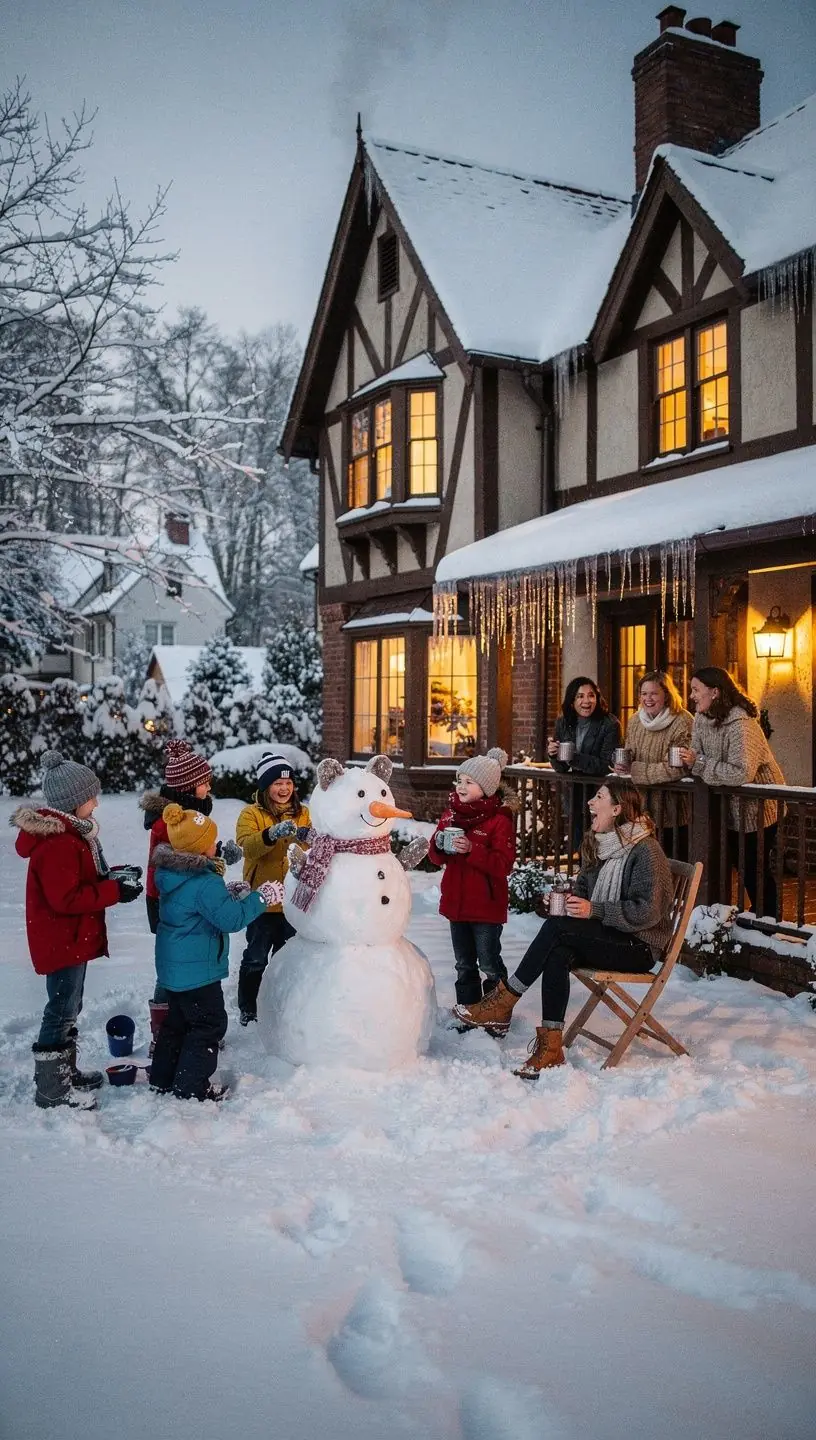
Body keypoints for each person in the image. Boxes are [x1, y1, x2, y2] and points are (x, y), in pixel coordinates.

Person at [453, 778, 673, 1078]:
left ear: (618, 808)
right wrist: (565, 901)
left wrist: (593, 909)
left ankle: (505, 999)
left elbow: (648, 911)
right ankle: (551, 1047)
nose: (590, 803)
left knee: (558, 931)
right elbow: (584, 891)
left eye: (599, 797)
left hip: (639, 945)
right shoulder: (602, 843)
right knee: (558, 951)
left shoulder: (646, 852)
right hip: (608, 936)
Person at [12, 750, 144, 1109]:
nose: (97, 803)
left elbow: (82, 879)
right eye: (90, 797)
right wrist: (114, 891)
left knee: (70, 1004)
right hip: (61, 941)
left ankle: (65, 1073)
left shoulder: (72, 835)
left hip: (71, 939)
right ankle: (53, 1090)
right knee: (61, 1010)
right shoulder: (58, 843)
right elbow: (66, 899)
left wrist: (114, 876)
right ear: (72, 803)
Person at [149, 803, 282, 1101]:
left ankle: (162, 1078)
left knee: (177, 1023)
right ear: (199, 849)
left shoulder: (173, 872)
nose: (216, 845)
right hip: (198, 971)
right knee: (209, 1024)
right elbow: (231, 919)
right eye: (211, 841)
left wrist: (226, 894)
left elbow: (198, 908)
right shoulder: (203, 882)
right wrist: (262, 897)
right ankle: (191, 1086)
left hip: (174, 967)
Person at [679, 666, 785, 917]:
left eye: (696, 690)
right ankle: (729, 915)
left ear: (714, 692)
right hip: (728, 804)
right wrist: (686, 761)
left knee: (752, 866)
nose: (692, 695)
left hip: (759, 807)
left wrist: (699, 763)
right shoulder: (702, 719)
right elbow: (696, 755)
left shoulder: (742, 724)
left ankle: (768, 918)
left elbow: (741, 773)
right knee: (732, 861)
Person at [428, 747, 517, 1009]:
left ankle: (495, 1010)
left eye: (469, 782)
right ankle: (468, 1010)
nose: (461, 786)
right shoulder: (450, 814)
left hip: (485, 907)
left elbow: (503, 864)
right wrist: (438, 844)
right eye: (459, 780)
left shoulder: (499, 821)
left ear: (487, 788)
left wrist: (472, 849)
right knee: (464, 963)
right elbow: (435, 858)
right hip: (457, 904)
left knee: (488, 961)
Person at [140, 737, 214, 1051]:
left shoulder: (191, 811)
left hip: (183, 895)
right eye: (203, 781)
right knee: (174, 962)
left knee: (188, 959)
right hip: (165, 899)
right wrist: (208, 863)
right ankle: (163, 1031)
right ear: (186, 786)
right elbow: (173, 863)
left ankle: (182, 1024)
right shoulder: (167, 823)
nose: (209, 786)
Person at [234, 752, 311, 1025]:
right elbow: (246, 845)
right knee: (256, 958)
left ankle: (280, 1006)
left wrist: (307, 838)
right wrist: (271, 834)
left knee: (286, 959)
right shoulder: (251, 813)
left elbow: (315, 849)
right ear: (266, 786)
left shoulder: (304, 814)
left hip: (293, 901)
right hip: (261, 901)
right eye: (277, 783)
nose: (284, 788)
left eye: (288, 783)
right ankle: (248, 1007)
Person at [616, 669, 693, 855]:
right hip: (639, 811)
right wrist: (622, 766)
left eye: (653, 693)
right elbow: (630, 754)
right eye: (643, 693)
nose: (648, 698)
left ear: (666, 695)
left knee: (672, 867)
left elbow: (676, 769)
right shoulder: (635, 720)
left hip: (672, 813)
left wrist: (635, 771)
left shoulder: (682, 720)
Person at [548, 677, 622, 853]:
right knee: (578, 847)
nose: (586, 701)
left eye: (591, 695)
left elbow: (606, 764)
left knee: (599, 848)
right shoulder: (563, 722)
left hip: (600, 796)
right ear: (572, 701)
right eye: (580, 696)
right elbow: (562, 768)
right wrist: (553, 755)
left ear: (597, 698)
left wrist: (573, 757)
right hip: (574, 795)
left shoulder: (609, 724)